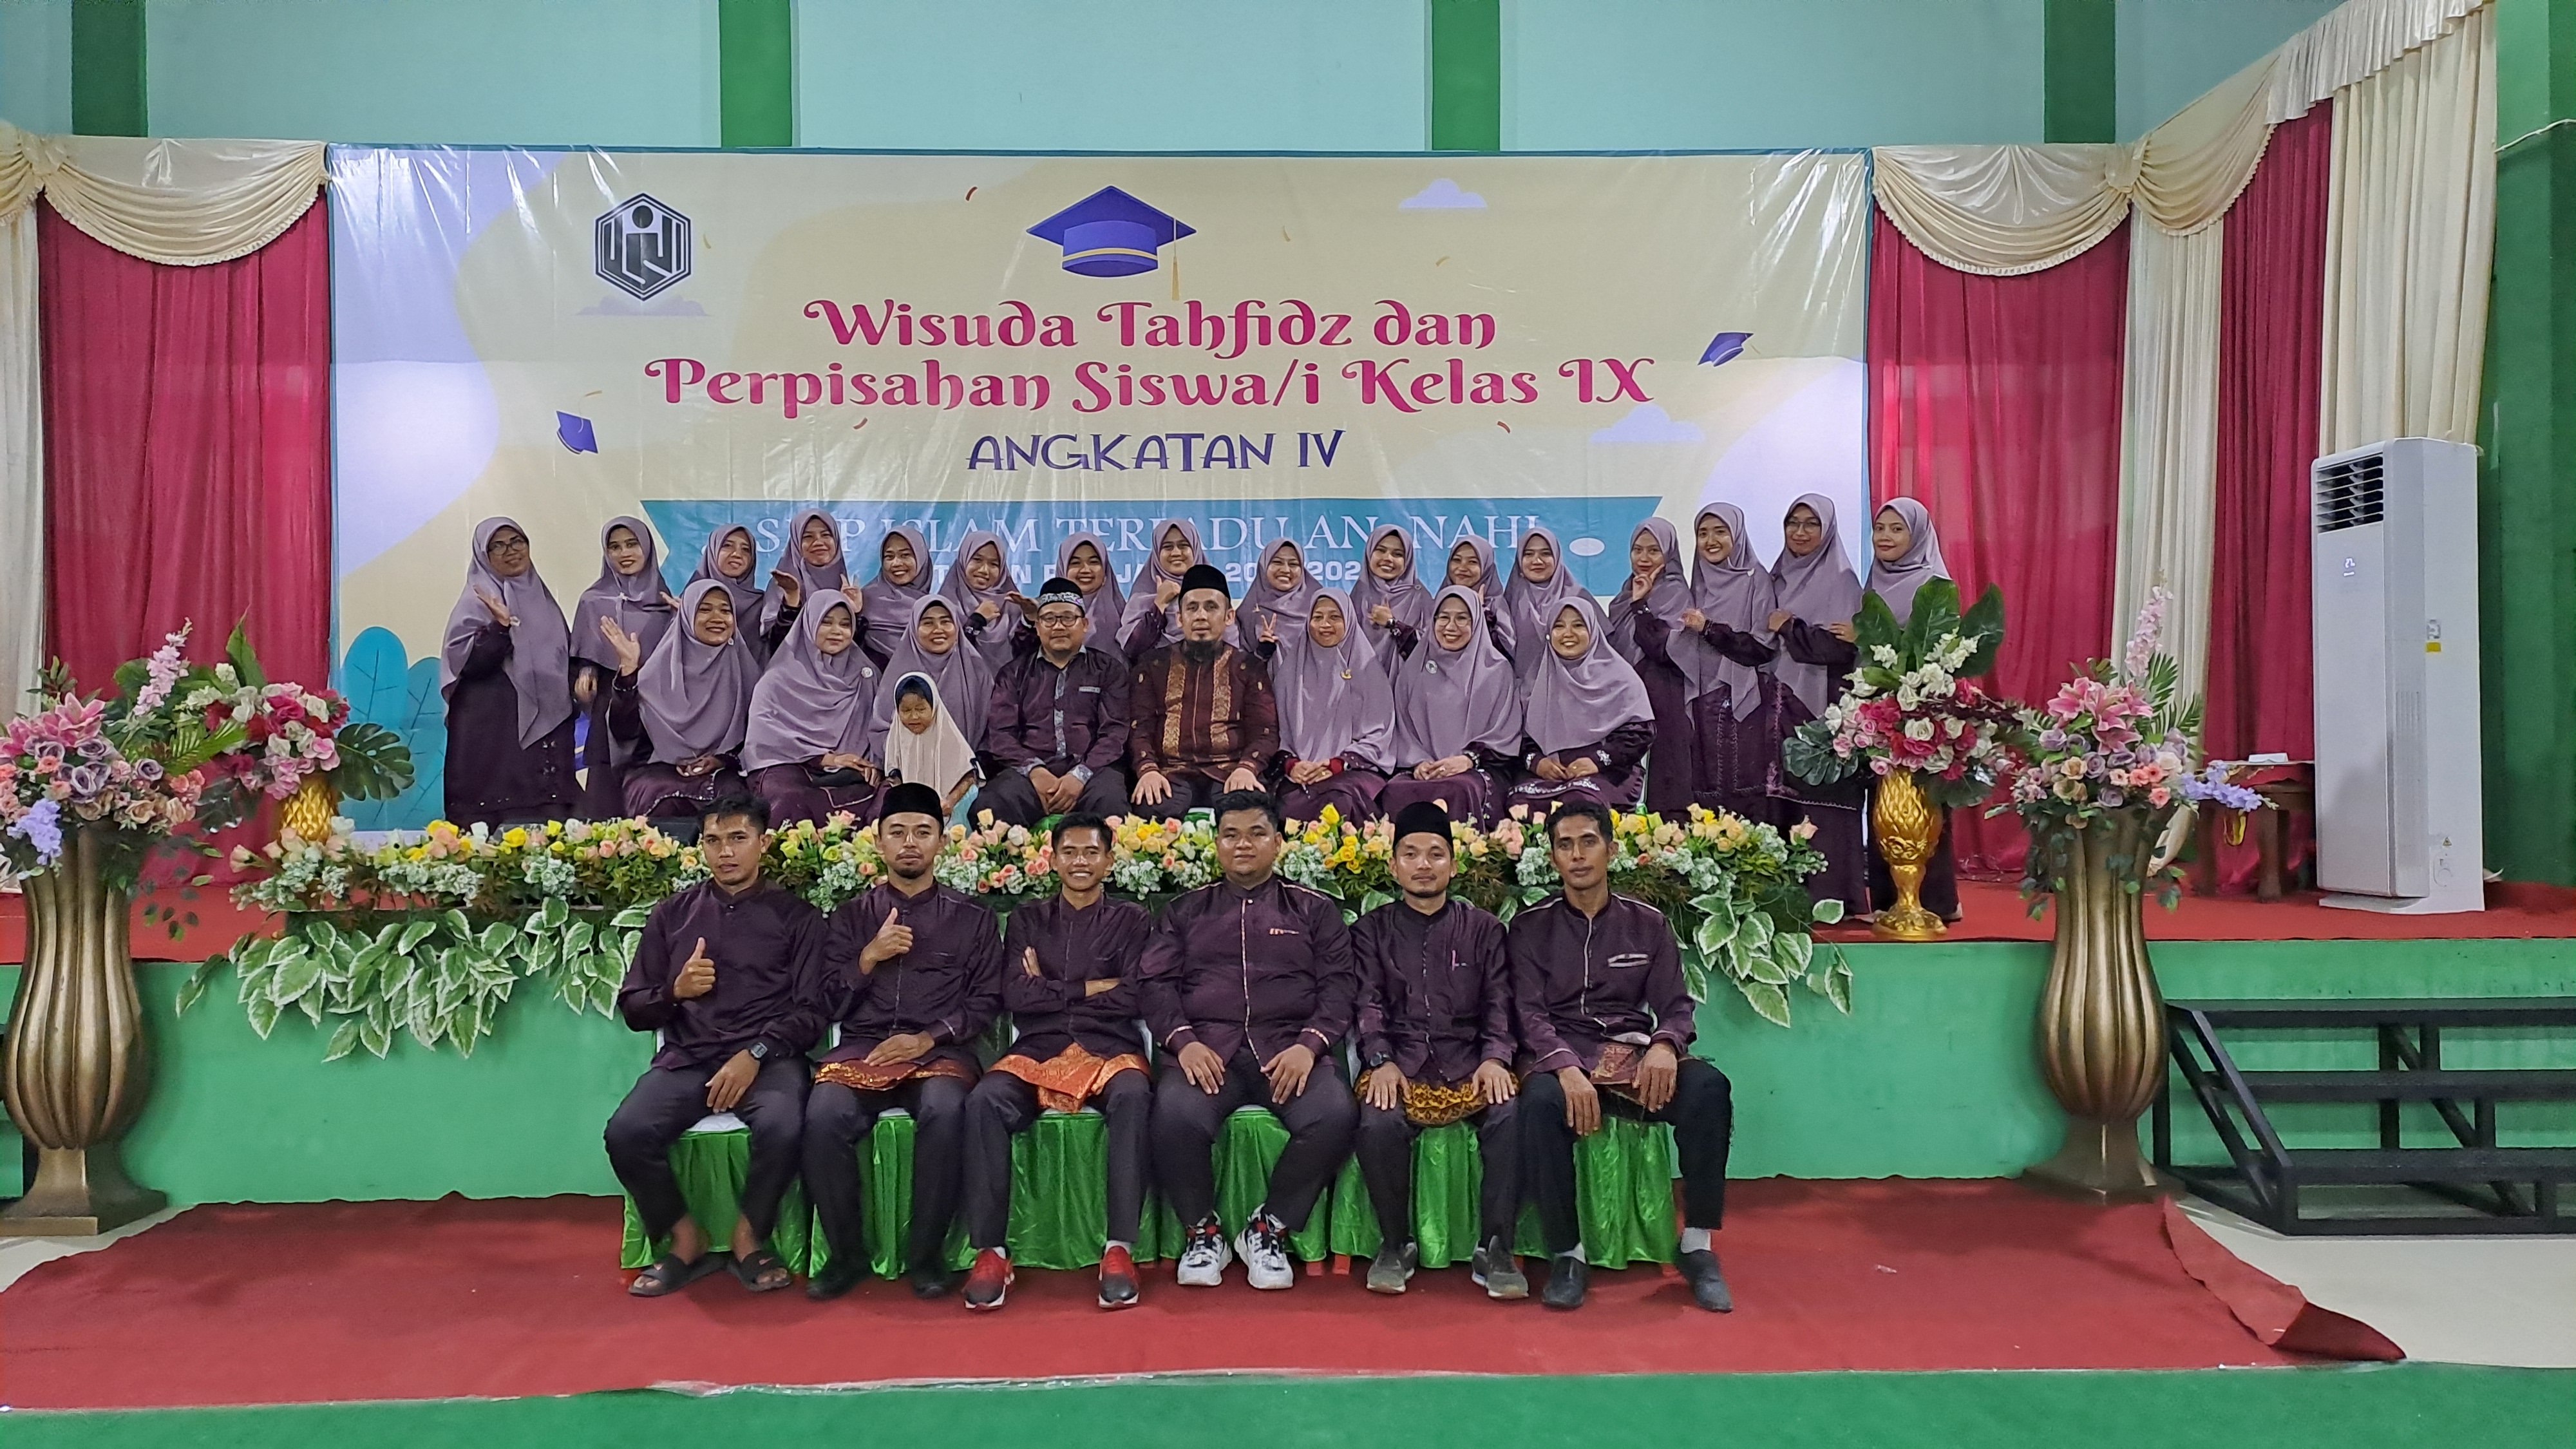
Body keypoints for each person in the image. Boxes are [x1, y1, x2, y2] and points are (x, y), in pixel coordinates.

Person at [1511, 802, 1734, 1314]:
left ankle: (1697, 1245)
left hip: (1633, 1056)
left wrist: (1665, 1045)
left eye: (1588, 842)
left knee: (1708, 1089)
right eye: (1565, 845)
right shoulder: (1530, 928)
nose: (1577, 855)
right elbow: (1528, 1014)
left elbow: (1675, 1005)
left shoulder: (1647, 924)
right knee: (1540, 1103)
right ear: (1553, 858)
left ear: (1611, 851)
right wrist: (1566, 1068)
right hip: (1563, 1054)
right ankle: (1568, 1254)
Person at [606, 795, 824, 1297]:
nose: (725, 852)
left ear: (763, 844)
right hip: (689, 1059)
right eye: (713, 841)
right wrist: (674, 992)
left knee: (785, 1123)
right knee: (626, 1133)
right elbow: (635, 1008)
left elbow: (812, 1012)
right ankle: (687, 1239)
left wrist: (756, 1055)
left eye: (738, 838)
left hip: (768, 1061)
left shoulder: (798, 918)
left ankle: (749, 1237)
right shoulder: (673, 916)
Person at [1143, 790, 1359, 1290]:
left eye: (1257, 834)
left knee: (1334, 1113)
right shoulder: (1184, 911)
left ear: (1277, 842)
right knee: (1173, 1115)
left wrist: (1309, 1045)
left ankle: (1269, 1227)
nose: (1243, 845)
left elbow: (1339, 987)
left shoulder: (1314, 910)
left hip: (1288, 1050)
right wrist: (1183, 1041)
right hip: (1208, 1052)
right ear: (1216, 844)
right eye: (1231, 835)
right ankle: (1203, 1232)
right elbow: (1155, 985)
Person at [802, 781, 1004, 1301]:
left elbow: (985, 1002)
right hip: (864, 1048)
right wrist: (868, 957)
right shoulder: (850, 918)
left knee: (945, 1108)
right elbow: (827, 1001)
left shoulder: (974, 919)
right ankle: (846, 1255)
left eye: (922, 831)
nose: (910, 842)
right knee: (823, 1113)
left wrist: (927, 1038)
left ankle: (927, 1255)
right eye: (897, 832)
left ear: (941, 841)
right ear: (879, 842)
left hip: (941, 1051)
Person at [958, 813, 1154, 1311]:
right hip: (1038, 1047)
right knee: (984, 1101)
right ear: (1053, 859)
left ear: (1109, 861)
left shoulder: (1133, 920)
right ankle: (991, 1251)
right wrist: (1092, 987)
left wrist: (1050, 988)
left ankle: (1119, 1248)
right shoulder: (1028, 919)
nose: (1080, 862)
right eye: (1070, 852)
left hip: (1110, 1045)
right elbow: (1016, 995)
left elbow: (1136, 995)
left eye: (1091, 852)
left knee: (1134, 1095)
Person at [1350, 801, 1528, 1300]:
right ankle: (1395, 1244)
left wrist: (1495, 1057)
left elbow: (1499, 1002)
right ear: (1393, 867)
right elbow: (1367, 1002)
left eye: (1435, 854)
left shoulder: (1485, 930)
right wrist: (1380, 1060)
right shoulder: (1370, 932)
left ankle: (1497, 1248)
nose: (1423, 865)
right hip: (1401, 1060)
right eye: (1410, 854)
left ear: (1454, 864)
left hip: (1469, 1061)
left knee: (1511, 1111)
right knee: (1377, 1119)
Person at [1766, 496, 1868, 914]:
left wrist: (1790, 627)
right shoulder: (1775, 577)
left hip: (1825, 706)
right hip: (1780, 704)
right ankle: (1785, 895)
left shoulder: (1842, 581)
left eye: (1812, 524)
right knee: (1782, 799)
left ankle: (1833, 894)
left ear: (1827, 530)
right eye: (1793, 523)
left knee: (1825, 799)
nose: (1801, 532)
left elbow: (1839, 650)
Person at [441, 517, 578, 826]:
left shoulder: (544, 602)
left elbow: (562, 659)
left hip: (548, 738)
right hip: (492, 735)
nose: (510, 551)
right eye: (498, 546)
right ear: (483, 555)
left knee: (549, 830)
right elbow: (469, 666)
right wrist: (500, 627)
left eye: (517, 542)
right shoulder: (476, 601)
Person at [1864, 498, 1960, 923]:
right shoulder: (1875, 579)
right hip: (1879, 709)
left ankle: (1937, 901)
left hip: (1924, 710)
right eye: (1880, 528)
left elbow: (1940, 649)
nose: (1885, 537)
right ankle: (1891, 901)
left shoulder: (1933, 583)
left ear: (1917, 534)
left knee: (1925, 803)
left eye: (1896, 529)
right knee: (1886, 803)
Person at [1127, 564, 1278, 820]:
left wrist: (1248, 767)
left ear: (1229, 616)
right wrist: (1147, 769)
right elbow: (1139, 727)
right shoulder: (1153, 665)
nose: (1201, 616)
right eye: (1192, 608)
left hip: (1229, 770)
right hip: (1170, 772)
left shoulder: (1247, 667)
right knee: (1151, 807)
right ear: (1180, 618)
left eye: (1211, 607)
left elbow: (1265, 730)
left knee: (1249, 812)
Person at [978, 576, 1132, 826]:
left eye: (1068, 618)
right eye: (1049, 619)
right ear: (1037, 626)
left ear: (1084, 624)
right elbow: (1001, 735)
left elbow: (1114, 733)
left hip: (1091, 771)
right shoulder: (1014, 673)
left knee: (1111, 804)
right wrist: (1035, 771)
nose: (1058, 626)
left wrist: (1080, 776)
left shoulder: (1108, 670)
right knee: (993, 806)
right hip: (1029, 774)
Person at [602, 580, 760, 822]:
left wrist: (721, 760)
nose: (717, 618)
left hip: (722, 770)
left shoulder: (745, 672)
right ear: (686, 617)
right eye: (704, 609)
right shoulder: (659, 671)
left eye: (725, 610)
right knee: (659, 797)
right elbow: (625, 732)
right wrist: (629, 671)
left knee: (735, 800)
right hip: (658, 768)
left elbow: (757, 736)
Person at [1379, 586, 1522, 826]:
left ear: (1477, 623)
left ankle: (1469, 851)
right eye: (1443, 617)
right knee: (1396, 791)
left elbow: (1505, 732)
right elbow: (1404, 728)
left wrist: (1467, 760)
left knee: (1459, 788)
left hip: (1479, 768)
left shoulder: (1497, 671)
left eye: (1462, 618)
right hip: (1425, 769)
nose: (1451, 627)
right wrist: (1418, 762)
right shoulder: (1414, 669)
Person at [1681, 504, 1785, 822]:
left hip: (1744, 701)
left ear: (1737, 536)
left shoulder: (1756, 579)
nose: (1710, 541)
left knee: (1744, 793)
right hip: (1703, 701)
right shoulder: (1698, 583)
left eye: (1720, 532)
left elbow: (1762, 647)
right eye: (1703, 533)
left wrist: (1709, 629)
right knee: (1706, 795)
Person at [741, 598, 882, 826]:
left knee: (881, 793)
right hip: (789, 764)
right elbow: (764, 737)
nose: (837, 631)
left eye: (845, 624)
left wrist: (872, 764)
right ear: (809, 625)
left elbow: (877, 728)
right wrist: (826, 759)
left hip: (847, 769)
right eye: (826, 622)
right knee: (790, 798)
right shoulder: (777, 679)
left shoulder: (865, 675)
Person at [1258, 588, 1394, 824]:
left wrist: (1337, 764)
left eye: (1335, 617)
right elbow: (1276, 730)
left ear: (1349, 622)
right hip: (1300, 773)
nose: (1325, 625)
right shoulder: (1292, 672)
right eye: (1318, 617)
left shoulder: (1367, 670)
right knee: (1284, 804)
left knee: (1339, 800)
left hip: (1354, 770)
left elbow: (1380, 734)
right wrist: (1292, 765)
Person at [572, 516, 677, 820]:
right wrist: (586, 671)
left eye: (632, 544)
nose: (624, 553)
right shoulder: (592, 601)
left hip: (658, 718)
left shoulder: (666, 603)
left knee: (655, 811)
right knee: (605, 809)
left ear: (647, 548)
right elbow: (581, 657)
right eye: (615, 547)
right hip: (610, 714)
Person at [1510, 597, 1655, 811]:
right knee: (1520, 804)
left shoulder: (1621, 678)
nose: (1568, 634)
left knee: (1579, 803)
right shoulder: (1537, 679)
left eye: (1578, 625)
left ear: (1593, 630)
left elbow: (1641, 733)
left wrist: (1597, 761)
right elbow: (1520, 736)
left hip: (1610, 772)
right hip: (1552, 773)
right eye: (1559, 626)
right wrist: (1537, 762)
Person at [1605, 518, 1697, 816]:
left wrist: (1642, 606)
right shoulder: (1625, 593)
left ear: (1668, 554)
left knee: (1665, 774)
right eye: (1637, 550)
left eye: (1654, 551)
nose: (1644, 558)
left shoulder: (1676, 593)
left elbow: (1662, 648)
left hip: (1663, 692)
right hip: (1628, 694)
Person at [863, 594, 996, 760]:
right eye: (928, 623)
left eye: (946, 622)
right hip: (910, 766)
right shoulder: (898, 673)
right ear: (914, 628)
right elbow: (881, 731)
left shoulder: (977, 670)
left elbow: (991, 729)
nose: (938, 629)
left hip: (969, 766)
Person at [1118, 518, 1236, 656]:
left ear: (1195, 549)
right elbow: (1132, 650)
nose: (1176, 553)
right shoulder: (1142, 598)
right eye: (1168, 547)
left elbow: (1231, 646)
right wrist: (1159, 604)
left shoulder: (1214, 591)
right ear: (1157, 552)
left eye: (1183, 546)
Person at [882, 674, 980, 824]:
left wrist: (950, 801)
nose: (914, 717)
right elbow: (894, 777)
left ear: (934, 707)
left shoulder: (948, 736)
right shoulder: (897, 736)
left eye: (921, 709)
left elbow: (969, 776)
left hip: (950, 810)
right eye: (906, 710)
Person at [1501, 526, 1587, 692]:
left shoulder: (1579, 598)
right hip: (1520, 696)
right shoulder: (1507, 603)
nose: (1537, 561)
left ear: (1557, 557)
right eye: (1529, 554)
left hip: (1571, 692)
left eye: (1546, 553)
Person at [939, 528, 1022, 671]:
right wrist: (977, 621)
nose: (984, 570)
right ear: (964, 560)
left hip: (1006, 685)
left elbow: (1026, 658)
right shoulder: (943, 606)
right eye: (977, 560)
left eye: (994, 564)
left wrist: (1031, 619)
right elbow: (944, 658)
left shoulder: (1013, 607)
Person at [690, 525, 774, 661]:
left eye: (746, 550)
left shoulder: (763, 605)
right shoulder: (690, 602)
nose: (737, 554)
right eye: (727, 546)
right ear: (713, 550)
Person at [1349, 523, 1432, 659]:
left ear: (1408, 560)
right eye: (1381, 550)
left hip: (1407, 673)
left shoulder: (1420, 598)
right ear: (1369, 553)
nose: (1388, 558)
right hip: (1362, 673)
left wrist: (1392, 623)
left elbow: (1431, 649)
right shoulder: (1359, 595)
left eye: (1397, 554)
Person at [763, 508, 848, 639]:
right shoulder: (782, 586)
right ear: (796, 544)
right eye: (808, 537)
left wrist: (856, 613)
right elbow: (773, 643)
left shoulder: (847, 588)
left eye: (826, 535)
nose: (819, 542)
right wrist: (791, 602)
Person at [1052, 532, 1130, 667]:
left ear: (1105, 570)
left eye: (1094, 562)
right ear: (1063, 570)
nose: (1085, 570)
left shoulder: (1125, 617)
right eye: (1075, 563)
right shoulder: (1047, 617)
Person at [858, 526, 934, 654]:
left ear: (921, 559)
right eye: (889, 556)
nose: (896, 563)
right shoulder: (864, 600)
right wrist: (854, 614)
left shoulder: (933, 607)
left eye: (905, 555)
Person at [1442, 535, 1517, 660]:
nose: (1462, 568)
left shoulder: (1495, 605)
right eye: (1457, 560)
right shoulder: (1441, 602)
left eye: (1473, 562)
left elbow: (1505, 652)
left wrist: (1482, 613)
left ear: (1486, 567)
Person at [1236, 538, 1320, 647]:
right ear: (1264, 566)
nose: (1285, 570)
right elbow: (1238, 654)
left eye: (1293, 564)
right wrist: (1263, 650)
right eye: (1277, 562)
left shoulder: (1318, 607)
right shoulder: (1247, 613)